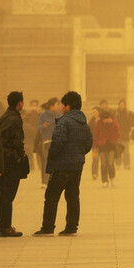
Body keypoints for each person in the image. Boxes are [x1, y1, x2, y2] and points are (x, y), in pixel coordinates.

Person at [33, 91, 93, 236]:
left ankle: (48, 227)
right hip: (77, 165)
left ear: (68, 106)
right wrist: (79, 154)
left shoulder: (64, 121)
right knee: (73, 196)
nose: (60, 107)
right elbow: (89, 143)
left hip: (62, 165)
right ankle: (72, 227)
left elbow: (57, 143)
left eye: (62, 104)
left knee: (52, 195)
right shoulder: (84, 123)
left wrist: (52, 158)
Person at [0, 92, 27, 237]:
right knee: (8, 195)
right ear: (19, 103)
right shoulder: (15, 119)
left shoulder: (3, 117)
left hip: (1, 161)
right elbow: (17, 141)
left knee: (2, 195)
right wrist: (20, 157)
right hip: (10, 162)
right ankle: (6, 227)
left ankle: (1, 226)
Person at [93, 108, 120, 188]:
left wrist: (112, 123)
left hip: (111, 144)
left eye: (105, 119)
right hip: (102, 145)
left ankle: (112, 178)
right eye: (103, 119)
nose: (104, 121)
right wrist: (94, 146)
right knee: (103, 163)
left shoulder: (113, 121)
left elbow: (118, 129)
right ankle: (104, 181)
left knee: (111, 163)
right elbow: (96, 134)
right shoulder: (99, 122)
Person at [37, 97, 61, 187]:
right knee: (47, 161)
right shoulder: (43, 115)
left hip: (57, 141)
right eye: (57, 105)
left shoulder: (59, 115)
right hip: (46, 140)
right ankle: (45, 181)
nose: (58, 106)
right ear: (51, 106)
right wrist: (43, 125)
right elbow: (39, 127)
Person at [22, 99, 40, 172]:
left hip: (37, 134)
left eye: (35, 105)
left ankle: (39, 166)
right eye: (33, 105)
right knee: (28, 152)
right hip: (29, 134)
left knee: (38, 151)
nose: (34, 107)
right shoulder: (27, 114)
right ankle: (30, 166)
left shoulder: (40, 114)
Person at [115, 99, 132, 169]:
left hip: (125, 135)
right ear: (118, 105)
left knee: (126, 151)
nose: (122, 106)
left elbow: (131, 123)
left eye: (123, 105)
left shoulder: (128, 113)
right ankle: (118, 164)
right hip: (117, 135)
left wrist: (128, 129)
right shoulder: (115, 113)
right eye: (121, 104)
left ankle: (127, 164)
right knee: (118, 150)